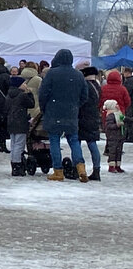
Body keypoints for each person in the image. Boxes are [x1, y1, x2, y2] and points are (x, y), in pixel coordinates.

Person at [38, 49, 92, 182]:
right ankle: (81, 168)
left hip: (53, 111)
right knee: (74, 141)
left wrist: (45, 108)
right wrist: (75, 105)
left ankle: (58, 171)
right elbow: (85, 96)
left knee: (54, 141)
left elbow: (43, 94)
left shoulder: (51, 74)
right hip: (71, 112)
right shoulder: (78, 75)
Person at [6, 75, 36, 177]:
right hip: (20, 123)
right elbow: (31, 104)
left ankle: (14, 164)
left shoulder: (9, 95)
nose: (25, 85)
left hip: (11, 122)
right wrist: (30, 94)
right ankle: (17, 165)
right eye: (24, 83)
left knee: (14, 144)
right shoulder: (22, 95)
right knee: (19, 145)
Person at [79, 67, 103, 182]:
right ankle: (96, 170)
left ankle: (78, 168)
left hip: (82, 117)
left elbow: (81, 101)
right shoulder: (97, 86)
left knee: (76, 143)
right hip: (93, 117)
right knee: (92, 144)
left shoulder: (85, 86)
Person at [103, 100, 124, 174]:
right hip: (112, 136)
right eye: (116, 104)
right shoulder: (110, 115)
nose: (118, 105)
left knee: (119, 151)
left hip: (119, 136)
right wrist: (117, 125)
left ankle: (118, 165)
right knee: (113, 151)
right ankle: (111, 166)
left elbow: (124, 119)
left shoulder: (118, 114)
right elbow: (108, 126)